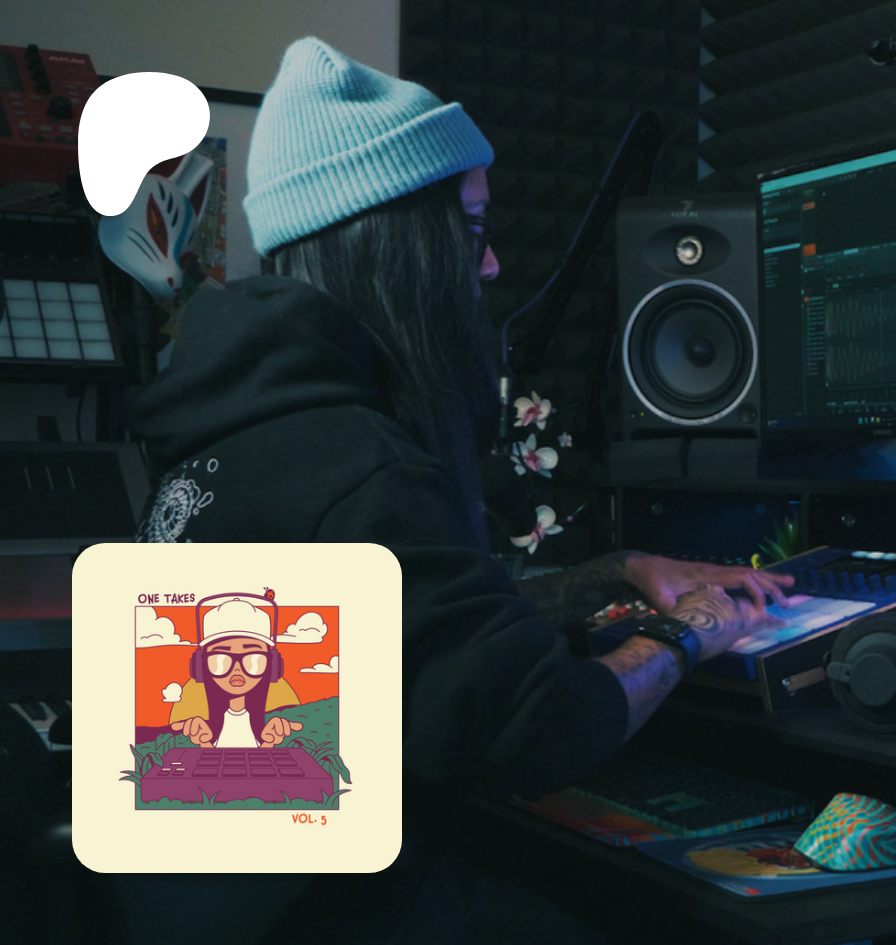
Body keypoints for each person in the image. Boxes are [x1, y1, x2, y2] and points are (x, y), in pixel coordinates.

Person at [120, 36, 792, 943]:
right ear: (400, 247)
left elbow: (405, 632)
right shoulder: (361, 467)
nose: (491, 266)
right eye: (471, 232)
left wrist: (615, 571)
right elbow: (543, 733)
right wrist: (692, 630)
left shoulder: (239, 433)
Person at [167, 593, 302, 749]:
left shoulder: (262, 729)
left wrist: (269, 743)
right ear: (201, 667)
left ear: (272, 666)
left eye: (252, 659)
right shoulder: (210, 730)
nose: (237, 669)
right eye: (221, 660)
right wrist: (204, 743)